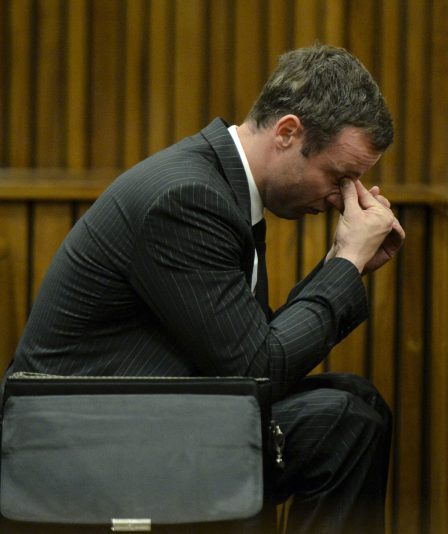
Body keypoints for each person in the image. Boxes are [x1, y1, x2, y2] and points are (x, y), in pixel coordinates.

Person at [8, 43, 404, 534]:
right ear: (287, 132)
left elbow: (249, 346)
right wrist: (346, 262)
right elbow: (258, 369)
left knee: (356, 400)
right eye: (340, 177)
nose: (343, 197)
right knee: (346, 424)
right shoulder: (188, 198)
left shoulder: (219, 183)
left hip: (138, 419)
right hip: (84, 448)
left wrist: (342, 266)